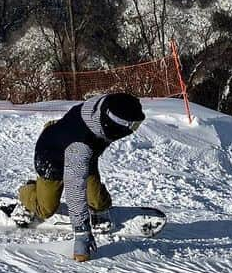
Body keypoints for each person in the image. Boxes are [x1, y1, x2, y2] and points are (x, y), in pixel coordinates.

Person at [13, 92, 145, 262]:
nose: (133, 131)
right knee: (45, 209)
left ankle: (96, 203)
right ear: (112, 125)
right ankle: (28, 190)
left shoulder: (103, 106)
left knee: (98, 202)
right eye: (132, 127)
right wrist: (82, 233)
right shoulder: (80, 146)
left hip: (77, 148)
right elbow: (74, 190)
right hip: (51, 157)